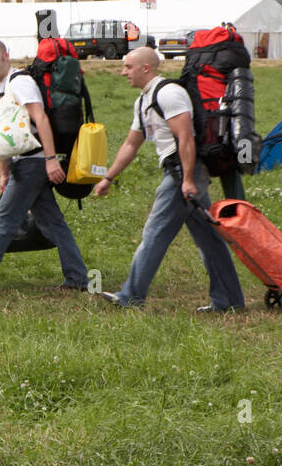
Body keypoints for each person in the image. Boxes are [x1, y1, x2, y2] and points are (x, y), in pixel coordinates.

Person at [92, 46, 245, 312]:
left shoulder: (170, 94)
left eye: (128, 67)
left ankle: (130, 296)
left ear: (146, 68)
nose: (122, 72)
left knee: (154, 233)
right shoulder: (143, 101)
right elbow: (131, 144)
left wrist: (187, 180)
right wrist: (108, 177)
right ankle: (229, 301)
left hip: (182, 172)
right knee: (209, 240)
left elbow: (185, 138)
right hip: (180, 171)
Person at [0, 38, 87, 293]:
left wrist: (50, 159)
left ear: (6, 55)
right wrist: (4, 171)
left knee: (2, 220)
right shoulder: (0, 89)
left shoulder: (20, 82)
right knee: (53, 223)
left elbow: (40, 118)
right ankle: (77, 278)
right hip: (24, 162)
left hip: (34, 162)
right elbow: (6, 134)